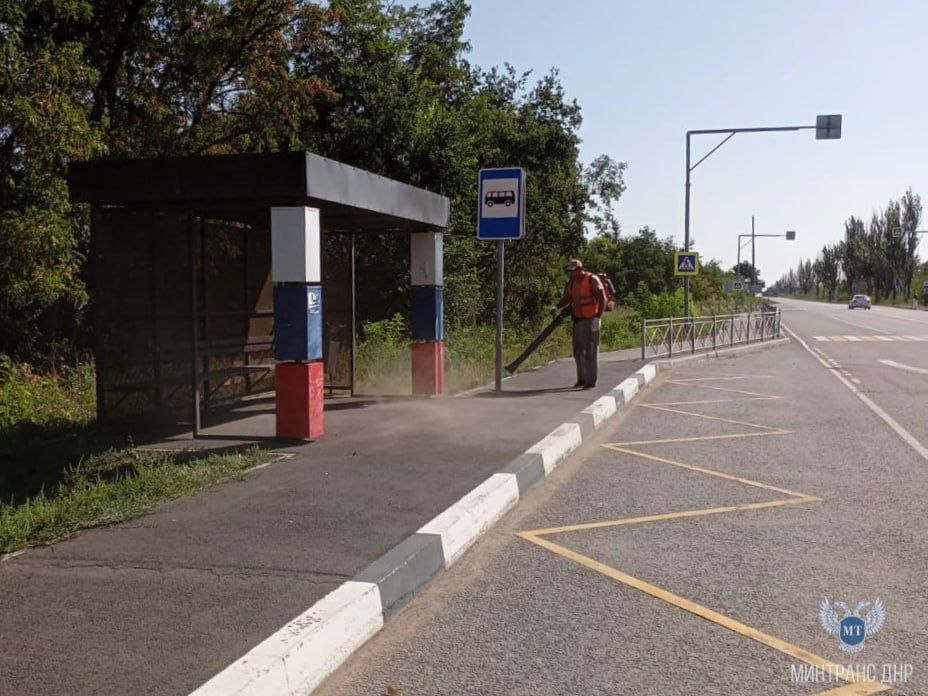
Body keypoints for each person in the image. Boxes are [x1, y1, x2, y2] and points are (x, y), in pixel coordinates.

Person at [556, 259, 607, 389]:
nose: (571, 273)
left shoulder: (592, 279)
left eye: (573, 271)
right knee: (578, 351)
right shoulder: (572, 283)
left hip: (591, 320)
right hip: (578, 320)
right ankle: (582, 379)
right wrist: (556, 307)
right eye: (570, 271)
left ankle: (591, 382)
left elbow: (602, 299)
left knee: (591, 351)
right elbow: (567, 298)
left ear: (579, 269)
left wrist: (598, 318)